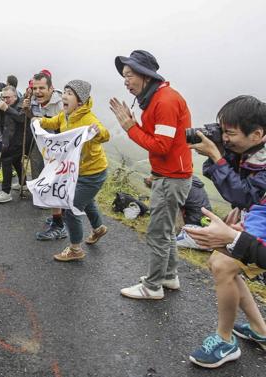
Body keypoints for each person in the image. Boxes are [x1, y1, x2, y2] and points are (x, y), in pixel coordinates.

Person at [186, 95, 266, 368]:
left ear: (257, 134)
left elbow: (245, 193)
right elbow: (244, 194)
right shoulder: (252, 152)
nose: (225, 138)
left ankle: (225, 340)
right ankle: (260, 331)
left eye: (230, 133)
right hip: (256, 216)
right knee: (223, 265)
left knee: (222, 263)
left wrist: (216, 155)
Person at [110, 50, 192, 300]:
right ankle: (168, 275)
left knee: (158, 232)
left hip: (172, 177)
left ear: (145, 75)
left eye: (129, 75)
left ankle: (153, 286)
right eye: (124, 76)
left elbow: (161, 146)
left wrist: (131, 128)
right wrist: (137, 125)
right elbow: (160, 137)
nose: (125, 81)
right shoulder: (158, 97)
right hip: (168, 175)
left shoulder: (165, 100)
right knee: (165, 230)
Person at [40, 80, 110, 261]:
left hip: (94, 172)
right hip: (76, 172)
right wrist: (38, 122)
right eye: (64, 92)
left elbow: (105, 134)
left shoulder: (88, 119)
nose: (64, 96)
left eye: (70, 93)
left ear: (80, 101)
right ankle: (99, 229)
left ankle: (75, 249)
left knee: (71, 209)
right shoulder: (64, 115)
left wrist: (98, 131)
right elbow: (52, 122)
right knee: (87, 202)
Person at [23, 71, 67, 241]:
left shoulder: (61, 102)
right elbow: (32, 118)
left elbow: (65, 126)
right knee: (42, 175)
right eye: (35, 88)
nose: (38, 91)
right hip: (40, 143)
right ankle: (58, 216)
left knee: (57, 181)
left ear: (51, 88)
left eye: (42, 88)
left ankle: (61, 223)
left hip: (58, 147)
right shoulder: (33, 99)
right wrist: (27, 110)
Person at [0, 86, 25, 204]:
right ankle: (24, 183)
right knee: (16, 162)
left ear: (15, 96)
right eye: (4, 97)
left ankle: (6, 192)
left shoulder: (21, 104)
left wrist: (7, 108)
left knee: (6, 161)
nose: (6, 100)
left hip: (19, 140)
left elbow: (21, 118)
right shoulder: (3, 105)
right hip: (7, 139)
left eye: (8, 97)